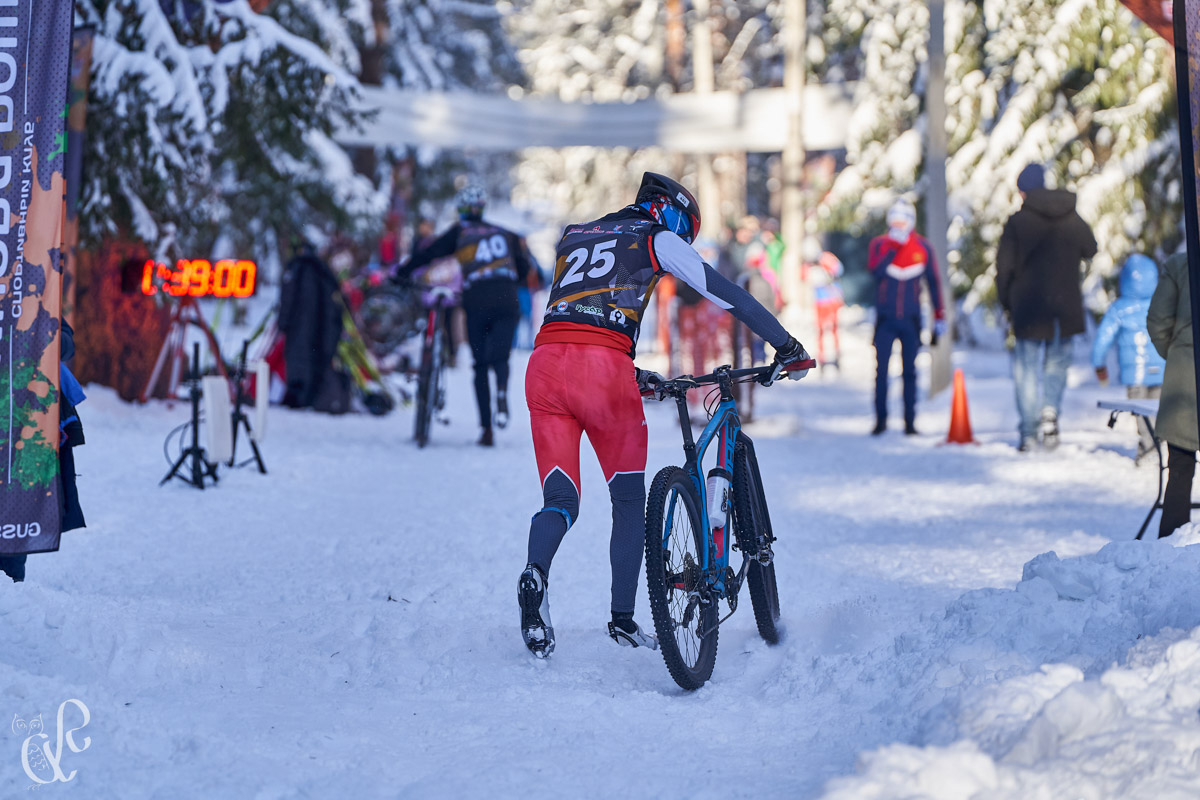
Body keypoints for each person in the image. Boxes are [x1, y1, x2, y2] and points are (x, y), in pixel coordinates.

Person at [519, 172, 811, 658]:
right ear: (669, 212)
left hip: (545, 366)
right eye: (685, 230)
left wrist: (629, 370)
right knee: (630, 501)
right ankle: (623, 620)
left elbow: (581, 319)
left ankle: (535, 575)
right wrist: (787, 345)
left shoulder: (576, 235)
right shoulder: (656, 237)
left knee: (560, 500)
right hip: (603, 373)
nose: (684, 240)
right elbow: (726, 294)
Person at [397, 186, 535, 446]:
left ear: (461, 210)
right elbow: (525, 268)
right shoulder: (506, 234)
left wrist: (403, 272)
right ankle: (503, 389)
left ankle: (486, 429)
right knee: (500, 357)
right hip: (506, 297)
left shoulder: (460, 232)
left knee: (479, 364)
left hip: (477, 297)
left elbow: (428, 254)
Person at [996, 163, 1098, 451]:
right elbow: (1091, 248)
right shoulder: (1071, 216)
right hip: (1064, 308)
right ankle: (1050, 414)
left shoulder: (1017, 223)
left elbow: (1003, 269)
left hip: (1028, 308)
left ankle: (1029, 432)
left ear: (1023, 191)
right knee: (1057, 363)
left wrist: (1006, 303)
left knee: (1027, 369)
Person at [1, 321, 87, 582]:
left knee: (14, 504)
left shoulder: (35, 287)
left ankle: (11, 591)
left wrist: (43, 339)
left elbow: (66, 343)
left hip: (25, 417)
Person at [867, 197, 945, 435]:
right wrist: (892, 248)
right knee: (882, 372)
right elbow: (875, 271)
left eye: (904, 222)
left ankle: (910, 422)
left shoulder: (923, 247)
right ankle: (881, 421)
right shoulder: (879, 244)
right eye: (895, 222)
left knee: (910, 371)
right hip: (885, 319)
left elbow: (933, 282)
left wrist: (939, 315)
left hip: (911, 319)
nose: (899, 227)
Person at [1091, 254, 1165, 461]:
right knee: (1158, 408)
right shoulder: (1163, 304)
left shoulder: (1119, 308)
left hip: (1135, 374)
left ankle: (1148, 446)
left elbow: (1103, 338)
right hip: (1162, 368)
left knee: (1141, 411)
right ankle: (1154, 445)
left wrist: (1099, 364)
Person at [1148, 251, 1196, 537]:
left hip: (1185, 375)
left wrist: (1180, 354)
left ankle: (1170, 544)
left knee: (1180, 467)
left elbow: (1157, 320)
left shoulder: (1181, 264)